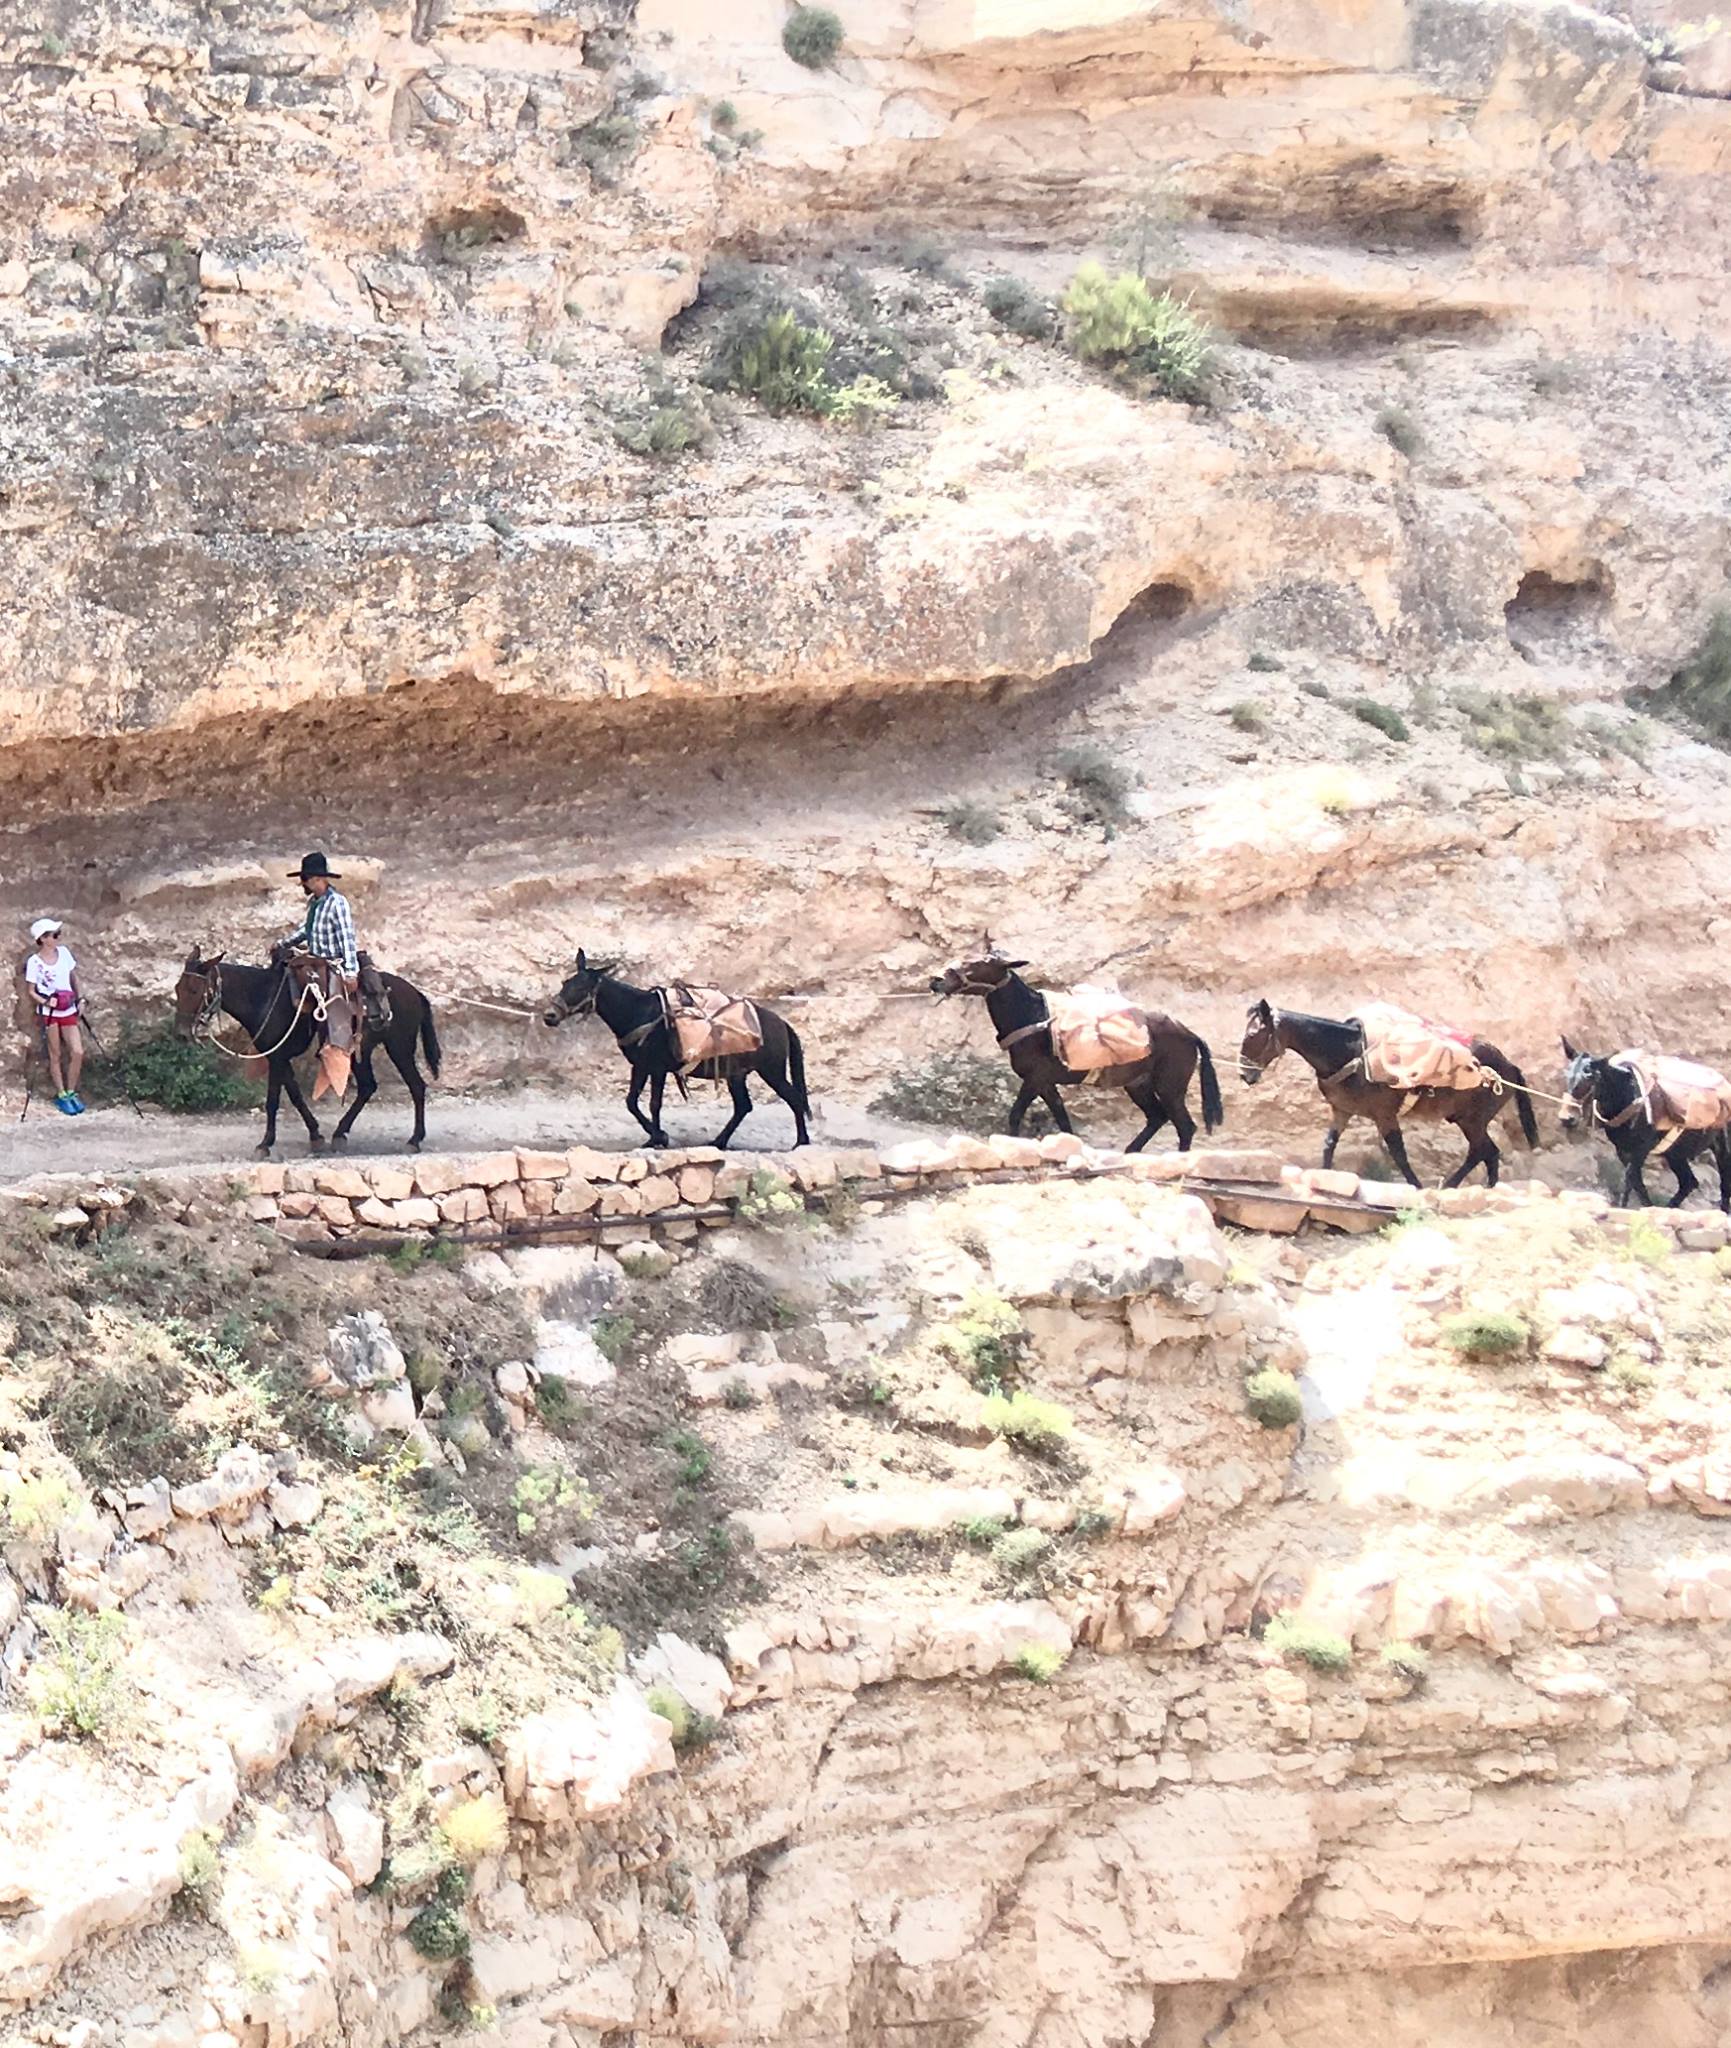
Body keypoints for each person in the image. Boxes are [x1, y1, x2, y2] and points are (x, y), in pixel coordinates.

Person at [280, 852, 361, 1098]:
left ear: (320, 879)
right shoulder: (315, 903)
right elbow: (307, 930)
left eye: (310, 879)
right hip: (314, 962)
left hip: (333, 963)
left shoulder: (337, 903)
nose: (307, 884)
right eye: (306, 880)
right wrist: (282, 943)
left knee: (335, 1003)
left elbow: (347, 938)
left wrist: (350, 971)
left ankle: (338, 1049)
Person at [22, 917, 85, 1115]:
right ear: (43, 939)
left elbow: (74, 977)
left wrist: (81, 999)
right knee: (55, 1054)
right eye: (54, 935)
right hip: (50, 1013)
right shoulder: (34, 962)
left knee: (77, 1052)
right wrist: (46, 1002)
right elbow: (31, 990)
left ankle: (72, 1091)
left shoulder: (64, 953)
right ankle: (62, 1094)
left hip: (68, 1010)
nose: (58, 938)